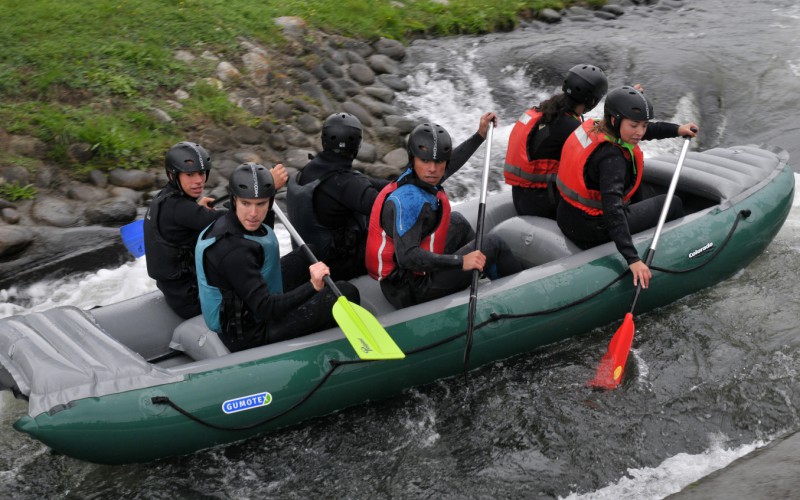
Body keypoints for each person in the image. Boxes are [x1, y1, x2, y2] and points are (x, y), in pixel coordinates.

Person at [196, 163, 359, 352]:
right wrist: (312, 287)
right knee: (347, 292)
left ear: (270, 201)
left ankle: (323, 285)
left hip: (249, 299)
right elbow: (266, 308)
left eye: (261, 204)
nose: (253, 214)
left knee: (310, 253)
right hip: (251, 331)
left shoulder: (235, 221)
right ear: (234, 200)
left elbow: (261, 245)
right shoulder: (234, 252)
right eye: (246, 203)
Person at [366, 114, 523, 309]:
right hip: (410, 290)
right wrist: (460, 261)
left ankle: (480, 274)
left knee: (457, 222)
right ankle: (521, 295)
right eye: (426, 161)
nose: (433, 169)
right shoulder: (409, 201)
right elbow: (408, 258)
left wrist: (480, 136)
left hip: (405, 279)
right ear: (413, 158)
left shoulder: (416, 174)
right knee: (493, 243)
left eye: (439, 161)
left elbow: (449, 163)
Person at [555, 85, 699, 289]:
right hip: (593, 230)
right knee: (673, 202)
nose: (640, 132)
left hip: (567, 217)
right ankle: (675, 253)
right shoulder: (612, 159)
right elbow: (613, 210)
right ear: (615, 120)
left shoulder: (597, 127)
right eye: (634, 125)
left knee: (641, 192)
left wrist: (677, 130)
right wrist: (633, 259)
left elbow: (641, 131)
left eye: (644, 125)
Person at [144, 141, 288, 319]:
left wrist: (197, 209)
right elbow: (250, 228)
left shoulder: (165, 199)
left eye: (201, 173)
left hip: (179, 292)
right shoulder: (181, 209)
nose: (198, 180)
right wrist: (266, 187)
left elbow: (187, 217)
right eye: (189, 174)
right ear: (172, 175)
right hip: (193, 300)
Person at [287, 112, 390, 280]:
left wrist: (399, 184)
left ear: (324, 141)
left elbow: (362, 182)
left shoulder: (308, 171)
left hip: (308, 260)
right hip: (334, 267)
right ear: (357, 146)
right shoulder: (344, 183)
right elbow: (390, 208)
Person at [504, 64, 608, 219]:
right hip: (541, 205)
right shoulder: (571, 128)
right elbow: (601, 148)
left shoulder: (548, 111)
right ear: (592, 101)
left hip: (522, 197)